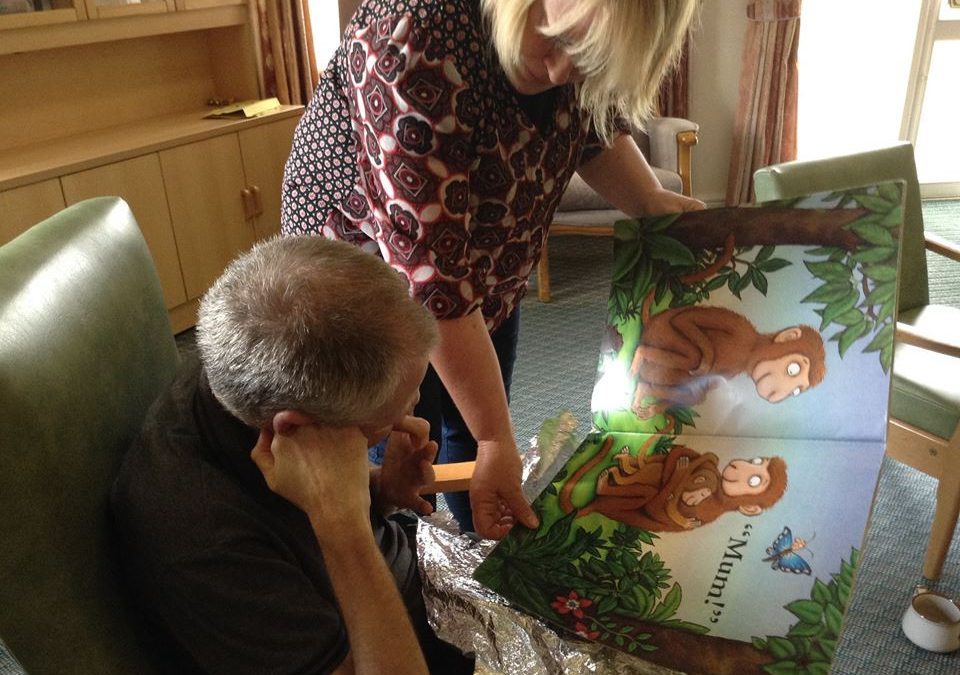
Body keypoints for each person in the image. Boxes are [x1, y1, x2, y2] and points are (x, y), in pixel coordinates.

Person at [281, 0, 704, 539]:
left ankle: (476, 545)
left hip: (484, 261)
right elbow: (433, 284)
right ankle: (401, 556)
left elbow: (590, 126)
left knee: (477, 423)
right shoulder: (412, 35)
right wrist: (495, 441)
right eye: (556, 39)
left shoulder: (569, 54)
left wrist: (650, 200)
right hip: (364, 282)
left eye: (588, 59)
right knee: (403, 454)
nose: (560, 73)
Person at [110, 236, 473, 674]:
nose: (411, 413)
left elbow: (293, 523)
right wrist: (345, 528)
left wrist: (381, 489)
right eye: (393, 414)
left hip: (424, 595)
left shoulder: (250, 362)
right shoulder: (204, 543)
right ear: (297, 427)